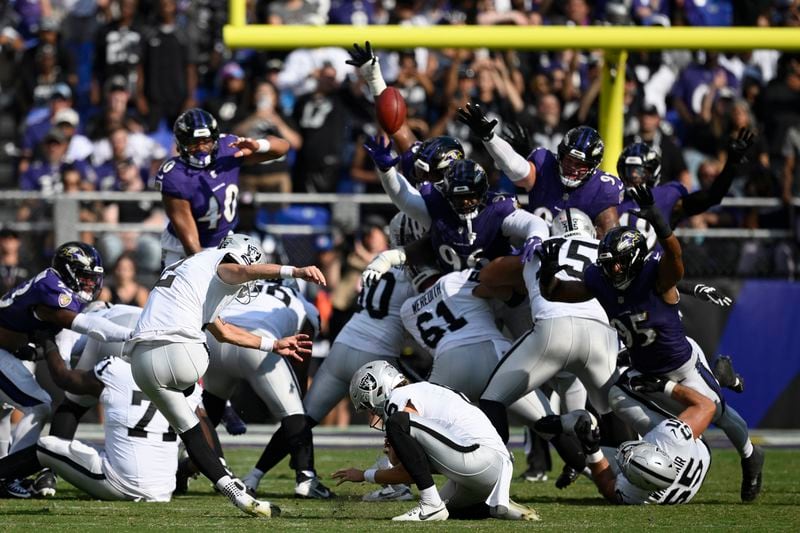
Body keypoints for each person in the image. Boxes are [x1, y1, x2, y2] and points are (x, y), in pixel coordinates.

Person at [539, 185, 764, 503]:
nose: (611, 269)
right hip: (642, 370)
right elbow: (557, 293)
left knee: (719, 414)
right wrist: (546, 276)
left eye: (617, 263)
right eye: (607, 263)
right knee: (616, 397)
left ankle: (751, 456)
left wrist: (659, 219)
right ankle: (663, 445)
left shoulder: (656, 278)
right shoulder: (600, 280)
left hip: (680, 367)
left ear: (633, 260)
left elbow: (675, 256)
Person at [127, 233, 325, 517]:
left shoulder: (190, 272)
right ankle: (218, 405)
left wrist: (273, 344)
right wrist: (294, 270)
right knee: (198, 365)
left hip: (142, 363)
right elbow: (242, 271)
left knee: (192, 432)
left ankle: (235, 493)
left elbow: (225, 331)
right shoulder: (218, 262)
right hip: (183, 354)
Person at [476, 209, 621, 460]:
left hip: (553, 330)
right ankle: (633, 479)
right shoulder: (603, 248)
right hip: (601, 334)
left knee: (492, 399)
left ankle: (494, 471)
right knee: (613, 410)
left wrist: (523, 265)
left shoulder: (541, 247)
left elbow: (487, 276)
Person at [0, 242, 134, 496]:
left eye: (93, 279)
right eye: (84, 277)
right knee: (38, 405)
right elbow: (88, 326)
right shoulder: (52, 289)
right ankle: (8, 476)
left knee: (6, 412)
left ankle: (6, 476)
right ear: (68, 272)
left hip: (7, 353)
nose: (89, 284)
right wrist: (133, 334)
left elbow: (62, 349)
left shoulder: (55, 288)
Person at [0, 332, 200, 502]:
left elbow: (64, 379)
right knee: (86, 447)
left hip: (119, 483)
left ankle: (5, 479)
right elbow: (202, 442)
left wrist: (48, 343)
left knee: (47, 445)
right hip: (163, 490)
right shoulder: (189, 388)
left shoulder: (118, 370)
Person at [333, 361, 539, 522]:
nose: (373, 413)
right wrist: (395, 454)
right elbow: (410, 469)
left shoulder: (399, 396)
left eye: (370, 406)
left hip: (480, 458)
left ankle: (430, 505)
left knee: (398, 422)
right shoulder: (422, 392)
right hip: (486, 471)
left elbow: (406, 463)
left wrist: (363, 475)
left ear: (380, 390)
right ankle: (499, 507)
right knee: (452, 511)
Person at [200, 280, 333, 499]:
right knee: (294, 412)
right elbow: (300, 357)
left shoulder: (244, 289)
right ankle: (306, 477)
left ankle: (180, 465)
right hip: (259, 344)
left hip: (217, 340)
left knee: (211, 405)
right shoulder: (302, 304)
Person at [535, 376, 715, 505]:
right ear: (654, 448)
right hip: (696, 448)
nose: (625, 451)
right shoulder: (670, 437)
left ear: (634, 481)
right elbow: (707, 406)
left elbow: (607, 486)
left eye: (627, 466)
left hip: (676, 462)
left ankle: (573, 435)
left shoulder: (636, 494)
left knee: (584, 453)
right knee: (619, 395)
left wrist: (592, 449)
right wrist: (666, 386)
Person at [457, 103, 623, 237]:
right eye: (569, 160)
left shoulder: (603, 188)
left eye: (580, 164)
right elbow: (516, 168)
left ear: (593, 166)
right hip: (535, 251)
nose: (572, 166)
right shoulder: (545, 163)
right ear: (560, 154)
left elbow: (611, 237)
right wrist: (490, 138)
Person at [363, 152, 545, 273]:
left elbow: (533, 223)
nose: (465, 202)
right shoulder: (439, 207)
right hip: (452, 289)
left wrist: (536, 236)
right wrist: (386, 171)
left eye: (470, 196)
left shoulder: (497, 209)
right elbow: (404, 197)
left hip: (498, 289)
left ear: (481, 194)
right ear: (448, 195)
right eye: (459, 197)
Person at [155, 107, 290, 267]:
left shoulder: (227, 149)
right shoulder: (175, 175)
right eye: (193, 143)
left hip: (224, 242)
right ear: (180, 143)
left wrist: (258, 145)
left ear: (215, 139)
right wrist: (205, 268)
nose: (201, 149)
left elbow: (282, 147)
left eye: (206, 141)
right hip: (180, 248)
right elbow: (190, 239)